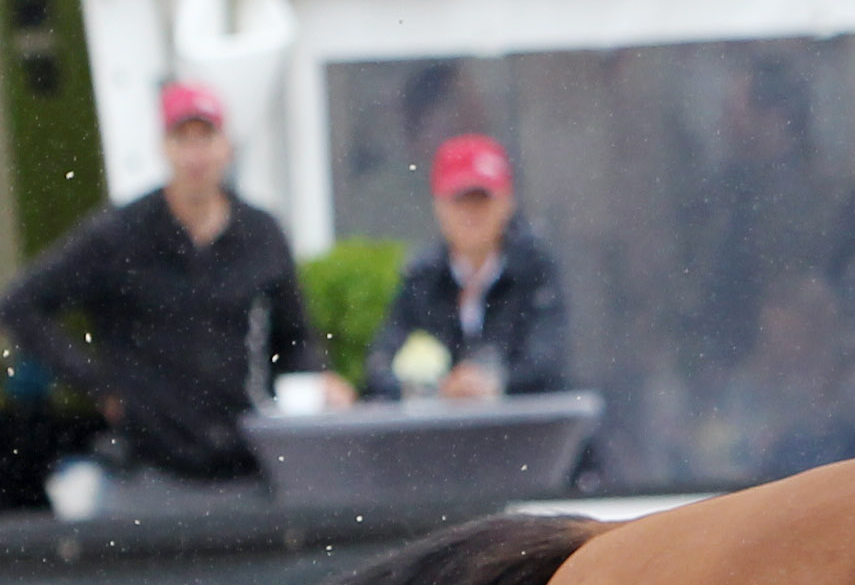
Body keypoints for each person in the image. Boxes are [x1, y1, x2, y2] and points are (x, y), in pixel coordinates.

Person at [0, 80, 331, 485]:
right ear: (164, 147)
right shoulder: (120, 234)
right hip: (147, 463)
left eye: (205, 137)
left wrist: (315, 384)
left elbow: (294, 336)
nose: (196, 154)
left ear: (226, 146)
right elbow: (20, 304)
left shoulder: (261, 232)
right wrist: (100, 385)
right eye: (182, 139)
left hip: (241, 457)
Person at [365, 134, 572, 401]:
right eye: (460, 201)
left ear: (507, 203)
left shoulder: (533, 270)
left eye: (481, 200)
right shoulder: (423, 277)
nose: (471, 214)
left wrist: (496, 384)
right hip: (442, 437)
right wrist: (437, 390)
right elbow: (380, 365)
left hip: (523, 434)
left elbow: (548, 362)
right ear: (439, 207)